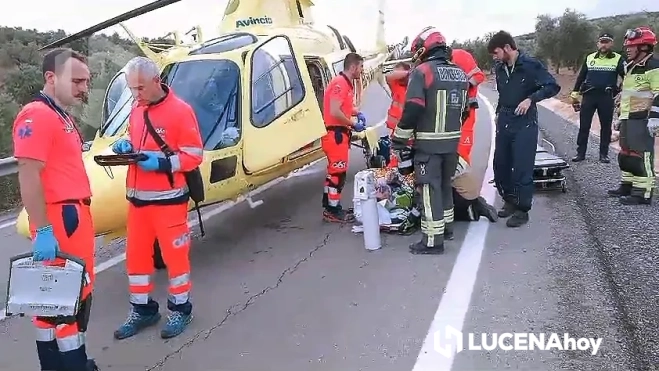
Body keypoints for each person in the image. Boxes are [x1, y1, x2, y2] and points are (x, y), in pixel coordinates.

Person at [12, 48, 98, 371]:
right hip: (62, 220)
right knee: (66, 303)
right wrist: (44, 229)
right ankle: (73, 365)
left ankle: (59, 366)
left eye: (86, 82)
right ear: (51, 78)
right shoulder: (37, 115)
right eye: (76, 80)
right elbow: (28, 174)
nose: (83, 88)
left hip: (71, 217)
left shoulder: (61, 115)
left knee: (52, 302)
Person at [111, 56, 204, 340]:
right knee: (136, 260)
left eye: (140, 88)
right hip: (138, 203)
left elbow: (194, 155)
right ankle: (142, 310)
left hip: (169, 203)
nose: (136, 95)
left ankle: (180, 309)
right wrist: (124, 145)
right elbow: (135, 137)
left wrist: (162, 163)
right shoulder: (136, 110)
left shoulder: (180, 111)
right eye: (131, 89)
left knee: (176, 261)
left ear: (156, 81)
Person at [391, 26, 469, 254]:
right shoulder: (460, 73)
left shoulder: (423, 72)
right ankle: (447, 229)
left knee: (428, 190)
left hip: (429, 145)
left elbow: (413, 107)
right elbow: (465, 110)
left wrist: (399, 138)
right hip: (452, 143)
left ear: (424, 49)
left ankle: (432, 241)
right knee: (445, 186)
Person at [488, 31, 560, 227]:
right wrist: (498, 112)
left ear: (507, 48)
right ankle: (510, 201)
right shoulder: (500, 68)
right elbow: (503, 94)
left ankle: (522, 209)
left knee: (522, 166)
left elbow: (552, 86)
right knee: (501, 164)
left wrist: (531, 99)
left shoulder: (531, 65)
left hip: (524, 122)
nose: (494, 57)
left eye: (496, 53)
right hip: (505, 119)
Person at [608, 27, 658, 205]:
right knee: (626, 155)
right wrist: (620, 116)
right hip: (628, 118)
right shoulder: (631, 68)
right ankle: (627, 186)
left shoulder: (653, 67)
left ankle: (642, 193)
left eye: (632, 46)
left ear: (644, 47)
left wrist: (654, 117)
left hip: (643, 120)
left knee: (640, 155)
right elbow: (627, 94)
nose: (628, 49)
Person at [449, 48, 498, 223]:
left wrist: (460, 85)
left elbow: (478, 77)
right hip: (445, 124)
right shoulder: (429, 65)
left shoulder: (460, 55)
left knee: (458, 165)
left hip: (464, 120)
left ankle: (473, 203)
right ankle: (463, 206)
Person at [321, 52, 367, 222]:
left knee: (334, 173)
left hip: (338, 135)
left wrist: (356, 112)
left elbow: (343, 106)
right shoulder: (340, 84)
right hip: (335, 135)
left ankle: (330, 206)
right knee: (338, 174)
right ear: (353, 66)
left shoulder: (346, 84)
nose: (362, 71)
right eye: (361, 67)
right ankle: (332, 210)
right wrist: (353, 123)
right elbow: (334, 111)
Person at [570, 32, 625, 163]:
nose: (604, 44)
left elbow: (626, 76)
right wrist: (575, 93)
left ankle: (603, 154)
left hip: (606, 97)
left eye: (607, 42)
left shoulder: (618, 58)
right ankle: (580, 153)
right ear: (598, 43)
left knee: (606, 127)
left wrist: (619, 91)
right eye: (602, 41)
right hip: (589, 96)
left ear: (611, 44)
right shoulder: (589, 58)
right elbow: (581, 76)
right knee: (584, 126)